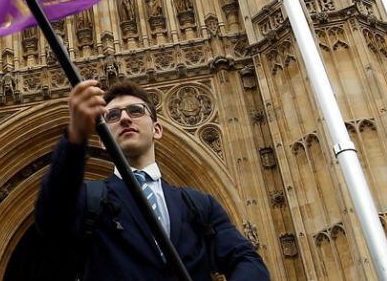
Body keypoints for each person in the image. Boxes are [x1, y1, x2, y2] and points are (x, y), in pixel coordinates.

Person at [35, 78, 270, 281]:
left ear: (157, 129)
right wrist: (76, 135)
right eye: (113, 116)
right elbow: (51, 212)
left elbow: (245, 259)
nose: (125, 118)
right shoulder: (90, 201)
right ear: (103, 141)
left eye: (135, 111)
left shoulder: (198, 204)